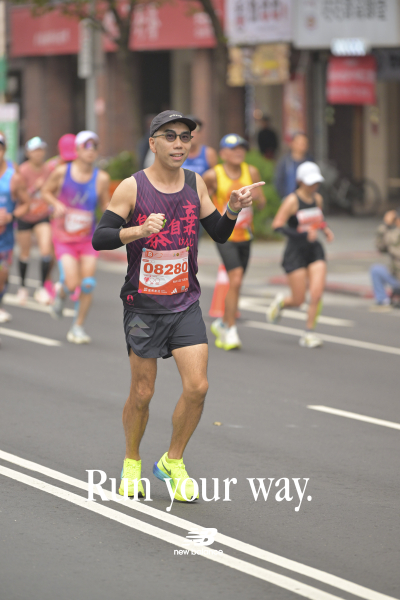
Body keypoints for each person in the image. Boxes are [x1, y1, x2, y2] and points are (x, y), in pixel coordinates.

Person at [92, 110, 264, 501]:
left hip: (184, 302)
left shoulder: (194, 183)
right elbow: (100, 238)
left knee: (198, 386)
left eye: (185, 137)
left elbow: (218, 232)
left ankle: (173, 460)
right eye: (170, 136)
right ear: (153, 143)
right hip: (143, 306)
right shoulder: (132, 187)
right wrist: (138, 230)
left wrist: (233, 208)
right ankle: (132, 460)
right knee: (142, 392)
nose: (179, 143)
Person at [42, 130, 110, 343]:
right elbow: (46, 191)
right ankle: (61, 293)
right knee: (72, 284)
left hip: (88, 238)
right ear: (78, 150)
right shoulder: (62, 172)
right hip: (64, 237)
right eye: (86, 146)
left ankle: (78, 327)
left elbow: (106, 205)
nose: (91, 151)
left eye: (94, 147)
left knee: (88, 283)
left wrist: (119, 220)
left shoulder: (102, 178)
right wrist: (56, 204)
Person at [203, 134, 265, 351]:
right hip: (224, 235)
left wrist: (255, 198)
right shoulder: (213, 175)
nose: (239, 152)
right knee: (236, 278)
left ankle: (222, 323)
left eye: (242, 148)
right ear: (223, 153)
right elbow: (201, 201)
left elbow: (262, 202)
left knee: (236, 283)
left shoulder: (251, 172)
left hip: (245, 235)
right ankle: (230, 328)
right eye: (233, 148)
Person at [267, 162, 334, 348]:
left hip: (314, 250)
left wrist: (325, 229)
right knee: (298, 300)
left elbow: (318, 219)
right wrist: (302, 234)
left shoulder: (318, 199)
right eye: (310, 182)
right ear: (300, 181)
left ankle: (308, 333)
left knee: (316, 293)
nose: (314, 186)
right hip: (295, 252)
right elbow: (277, 226)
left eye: (316, 182)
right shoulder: (292, 201)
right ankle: (282, 303)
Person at [16, 137, 54, 305]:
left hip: (41, 215)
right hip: (25, 216)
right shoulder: (22, 171)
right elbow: (18, 195)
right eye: (35, 150)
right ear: (28, 153)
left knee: (46, 251)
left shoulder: (48, 170)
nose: (38, 153)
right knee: (25, 253)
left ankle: (41, 288)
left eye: (41, 150)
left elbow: (52, 190)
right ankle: (23, 287)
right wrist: (34, 189)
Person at [0, 132, 30, 328]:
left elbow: (26, 203)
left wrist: (11, 216)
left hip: (4, 240)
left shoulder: (14, 177)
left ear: (4, 150)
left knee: (1, 278)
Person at [369, 209, 400, 311]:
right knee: (377, 269)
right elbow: (381, 247)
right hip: (396, 276)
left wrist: (386, 224)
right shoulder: (394, 234)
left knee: (375, 270)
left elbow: (381, 246)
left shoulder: (395, 234)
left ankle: (383, 301)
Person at [274, 132, 311, 200]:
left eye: (304, 143)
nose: (302, 146)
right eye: (299, 143)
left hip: (306, 200)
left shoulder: (310, 162)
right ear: (292, 144)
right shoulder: (284, 162)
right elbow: (278, 182)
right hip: (288, 199)